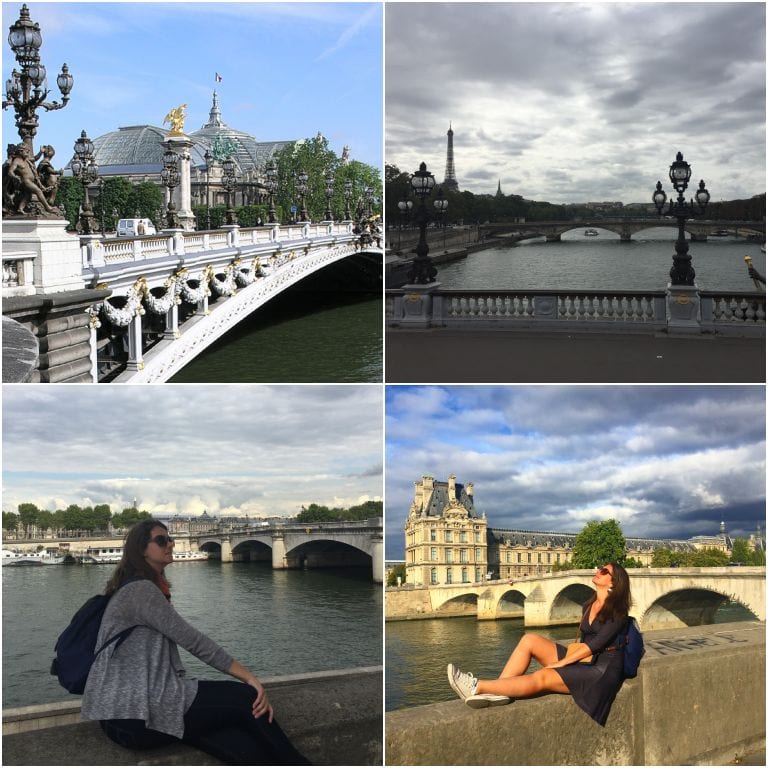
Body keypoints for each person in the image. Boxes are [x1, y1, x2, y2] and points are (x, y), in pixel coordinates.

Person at [81, 519, 310, 765]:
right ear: (141, 549)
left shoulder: (129, 586)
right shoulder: (142, 591)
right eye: (161, 540)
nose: (170, 543)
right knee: (246, 699)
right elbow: (194, 641)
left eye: (170, 538)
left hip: (119, 717)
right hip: (136, 715)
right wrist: (250, 678)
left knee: (233, 738)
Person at [447, 562, 631, 727]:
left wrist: (562, 663)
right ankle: (499, 690)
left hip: (602, 670)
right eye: (600, 568)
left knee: (544, 675)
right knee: (530, 640)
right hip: (586, 659)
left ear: (613, 582)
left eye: (604, 571)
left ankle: (476, 686)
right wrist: (567, 661)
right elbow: (585, 643)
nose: (598, 571)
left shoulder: (618, 612)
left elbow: (595, 645)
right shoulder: (588, 604)